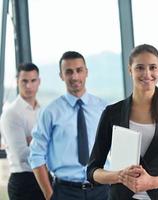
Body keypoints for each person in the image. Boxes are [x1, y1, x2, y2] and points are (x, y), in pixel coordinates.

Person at [87, 44, 158, 200]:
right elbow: (93, 171)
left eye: (153, 67)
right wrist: (119, 176)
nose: (147, 74)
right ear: (130, 70)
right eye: (140, 68)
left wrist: (153, 182)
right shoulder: (112, 113)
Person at [29, 51, 109, 200]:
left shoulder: (103, 108)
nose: (75, 77)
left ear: (86, 72)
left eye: (79, 70)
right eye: (69, 72)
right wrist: (49, 194)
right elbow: (36, 155)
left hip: (102, 191)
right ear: (61, 75)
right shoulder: (50, 112)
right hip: (65, 192)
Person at [0, 63, 44, 200]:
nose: (29, 86)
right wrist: (46, 143)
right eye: (24, 81)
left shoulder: (42, 111)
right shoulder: (11, 113)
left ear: (39, 82)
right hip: (23, 180)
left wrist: (34, 141)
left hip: (44, 178)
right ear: (17, 81)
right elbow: (23, 156)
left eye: (33, 81)